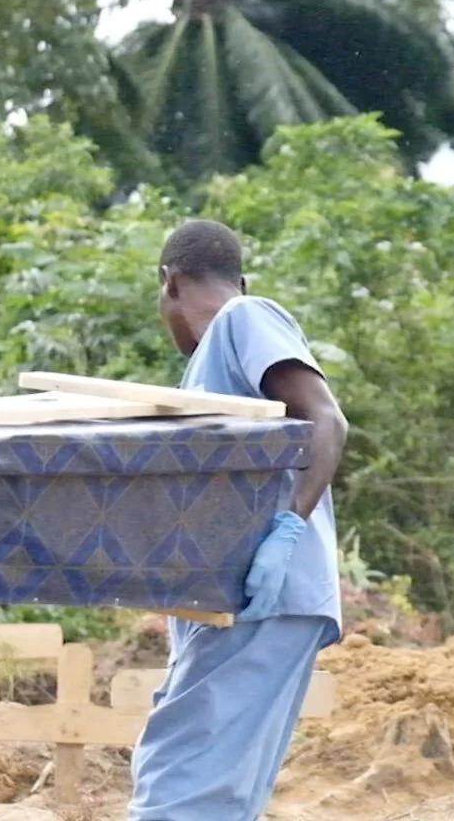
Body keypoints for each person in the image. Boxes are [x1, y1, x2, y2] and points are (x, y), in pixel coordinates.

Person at [130, 219, 350, 821]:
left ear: (169, 282)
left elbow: (327, 420)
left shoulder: (243, 318)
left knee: (180, 785)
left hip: (263, 592)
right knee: (212, 790)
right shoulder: (208, 368)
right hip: (251, 599)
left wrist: (285, 530)